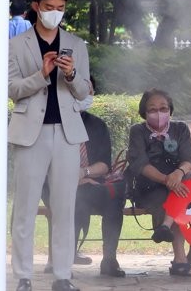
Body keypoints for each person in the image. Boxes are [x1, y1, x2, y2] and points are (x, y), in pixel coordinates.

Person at [8, 0, 90, 291]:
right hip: (31, 132)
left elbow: (83, 92)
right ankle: (23, 276)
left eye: (60, 9)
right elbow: (13, 90)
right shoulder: (17, 44)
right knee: (25, 206)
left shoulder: (77, 44)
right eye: (48, 8)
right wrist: (41, 74)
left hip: (67, 133)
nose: (54, 13)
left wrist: (69, 73)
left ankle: (62, 275)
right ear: (36, 7)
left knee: (65, 206)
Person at [44, 77, 126, 277]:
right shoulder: (51, 122)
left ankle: (109, 259)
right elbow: (43, 163)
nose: (83, 95)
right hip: (54, 184)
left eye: (88, 91)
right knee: (76, 201)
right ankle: (63, 262)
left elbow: (104, 164)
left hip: (89, 182)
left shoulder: (97, 125)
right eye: (78, 90)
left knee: (114, 200)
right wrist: (70, 177)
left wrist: (82, 173)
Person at [126, 88, 191, 277]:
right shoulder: (138, 131)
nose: (158, 113)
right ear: (144, 111)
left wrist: (178, 173)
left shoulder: (180, 129)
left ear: (170, 109)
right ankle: (180, 259)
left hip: (179, 180)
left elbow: (190, 159)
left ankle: (166, 229)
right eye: (152, 109)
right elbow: (139, 164)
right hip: (150, 185)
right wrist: (166, 179)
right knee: (178, 193)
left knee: (186, 187)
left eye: (163, 108)